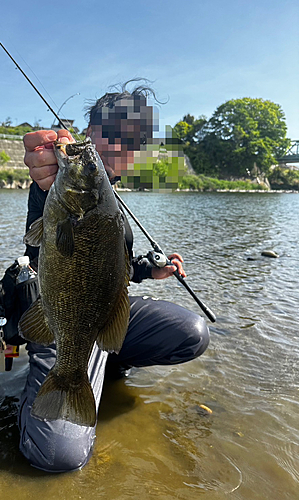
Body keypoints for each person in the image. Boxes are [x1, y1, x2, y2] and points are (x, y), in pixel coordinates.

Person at [18, 80, 210, 472]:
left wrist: (147, 269)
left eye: (137, 140)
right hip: (63, 317)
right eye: (117, 134)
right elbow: (46, 235)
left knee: (192, 333)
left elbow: (110, 267)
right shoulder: (62, 186)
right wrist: (48, 180)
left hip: (102, 309)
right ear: (91, 133)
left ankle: (107, 365)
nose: (127, 148)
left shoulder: (110, 202)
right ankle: (60, 385)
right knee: (56, 457)